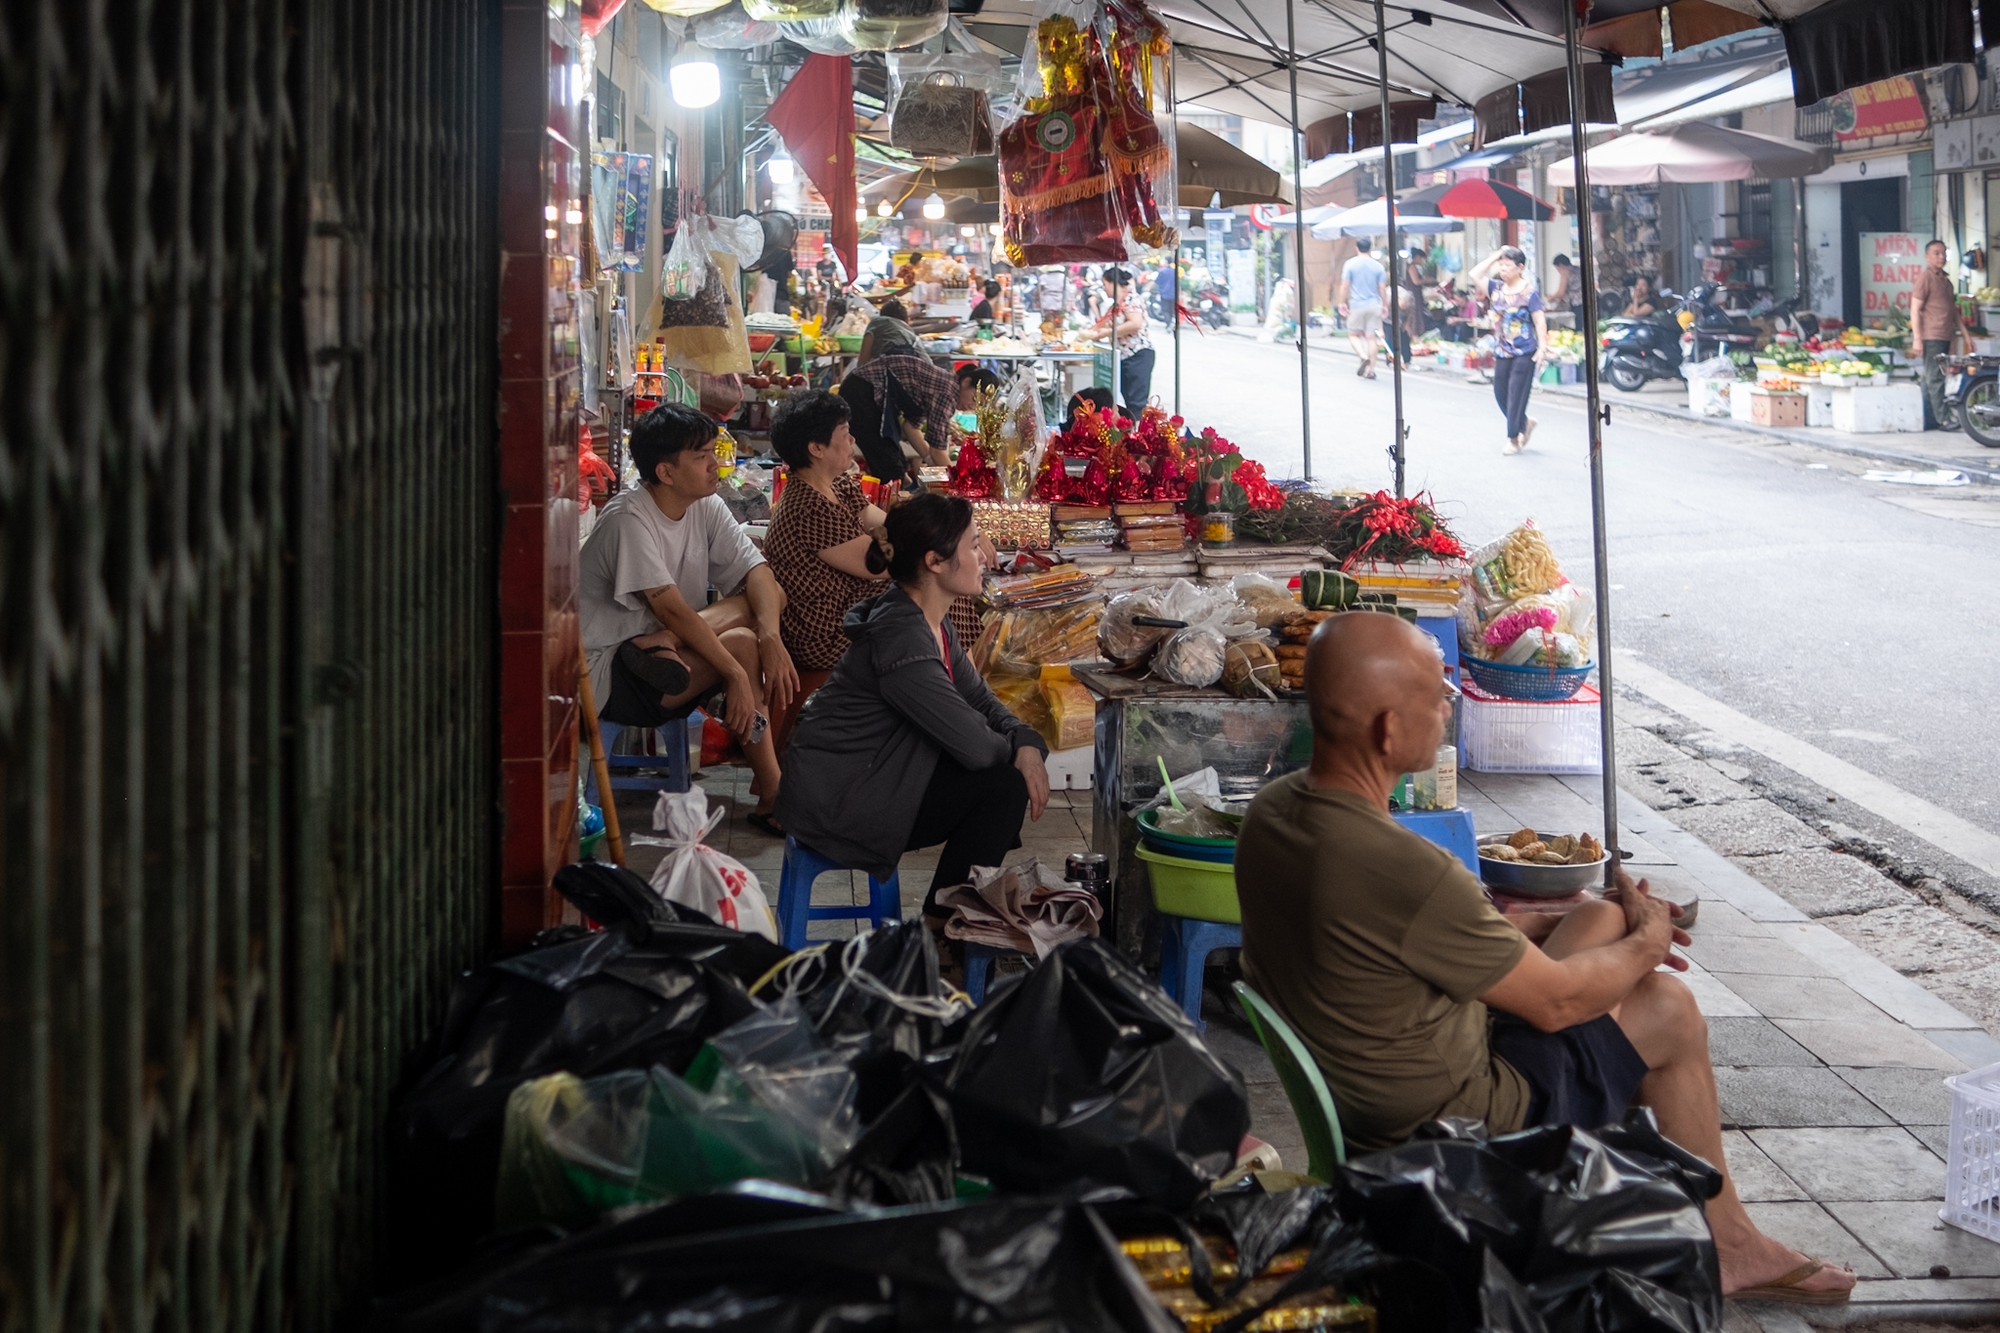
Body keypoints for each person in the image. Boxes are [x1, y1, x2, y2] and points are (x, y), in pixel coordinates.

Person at [1234, 612, 1859, 1308]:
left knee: (1596, 913)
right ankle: (1733, 1246)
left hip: (1367, 1077)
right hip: (1455, 1116)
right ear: (1387, 729)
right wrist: (1646, 945)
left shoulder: (1273, 811)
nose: (1447, 707)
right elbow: (1557, 1000)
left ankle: (1665, 1194)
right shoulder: (1404, 867)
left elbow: (1425, 936)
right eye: (1439, 696)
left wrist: (1600, 922)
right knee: (1668, 1008)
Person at [776, 493, 1050, 930]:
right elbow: (978, 748)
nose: (983, 557)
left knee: (1004, 776)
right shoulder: (903, 638)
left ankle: (946, 919)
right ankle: (941, 930)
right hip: (839, 802)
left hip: (870, 778)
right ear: (935, 562)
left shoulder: (929, 620)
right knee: (1001, 787)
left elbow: (980, 700)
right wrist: (1018, 750)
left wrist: (1026, 742)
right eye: (973, 544)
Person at [579, 402, 798, 831]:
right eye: (702, 457)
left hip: (662, 652)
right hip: (606, 670)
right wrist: (733, 673)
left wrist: (772, 636)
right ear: (666, 472)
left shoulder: (705, 505)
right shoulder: (628, 519)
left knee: (760, 607)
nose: (715, 466)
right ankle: (773, 790)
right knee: (740, 646)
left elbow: (760, 575)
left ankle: (772, 789)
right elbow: (671, 609)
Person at [763, 390, 889, 759]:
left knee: (948, 597)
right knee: (941, 598)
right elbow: (878, 564)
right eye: (845, 432)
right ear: (816, 448)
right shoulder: (807, 506)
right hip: (825, 630)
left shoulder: (838, 486)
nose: (852, 440)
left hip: (854, 609)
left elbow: (885, 525)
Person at [841, 316, 956, 481]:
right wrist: (955, 481)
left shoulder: (931, 384)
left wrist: (931, 461)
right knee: (885, 457)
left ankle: (897, 486)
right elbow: (937, 449)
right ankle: (893, 492)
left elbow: (910, 427)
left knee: (890, 456)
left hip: (872, 391)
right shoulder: (944, 389)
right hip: (863, 392)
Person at [1468, 245, 1546, 455]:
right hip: (1502, 350)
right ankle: (1524, 423)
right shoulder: (1496, 288)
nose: (1503, 269)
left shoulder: (1529, 293)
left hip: (1524, 351)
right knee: (1500, 392)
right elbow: (1474, 274)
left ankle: (1513, 439)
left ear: (1520, 268)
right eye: (1501, 265)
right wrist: (1495, 256)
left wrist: (1543, 348)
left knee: (1515, 394)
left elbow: (1539, 321)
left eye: (1507, 265)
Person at [1911, 238, 1968, 430]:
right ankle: (1944, 419)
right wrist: (1917, 338)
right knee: (1935, 378)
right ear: (1927, 257)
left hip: (1945, 334)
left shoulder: (1946, 281)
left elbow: (1953, 313)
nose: (1941, 256)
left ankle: (1927, 418)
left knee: (1931, 379)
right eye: (1936, 253)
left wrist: (1966, 336)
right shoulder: (1925, 278)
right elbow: (1915, 309)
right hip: (1931, 335)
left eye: (1944, 253)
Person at [1086, 266, 1154, 409]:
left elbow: (1135, 323)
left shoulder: (1131, 299)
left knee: (1136, 403)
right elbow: (1101, 325)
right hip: (1123, 356)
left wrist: (1108, 332)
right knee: (1128, 400)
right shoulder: (1116, 305)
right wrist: (1090, 333)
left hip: (1137, 355)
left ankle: (1137, 430)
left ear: (1113, 283)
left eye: (1105, 284)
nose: (1103, 289)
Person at [1338, 238, 1387, 379]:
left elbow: (1345, 285)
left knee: (1353, 334)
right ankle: (1371, 370)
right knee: (1371, 338)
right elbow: (1382, 288)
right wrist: (1384, 305)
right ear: (1370, 248)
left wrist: (1342, 302)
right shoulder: (1378, 266)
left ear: (1356, 248)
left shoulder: (1350, 264)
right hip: (1374, 305)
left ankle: (1362, 355)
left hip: (1357, 305)